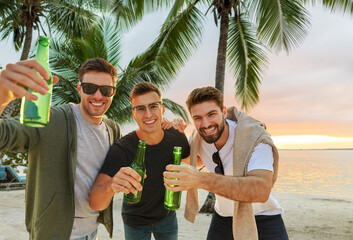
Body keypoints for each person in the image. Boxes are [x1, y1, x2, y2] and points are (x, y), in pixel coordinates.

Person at [0, 58, 121, 240]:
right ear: (79, 88)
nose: (98, 96)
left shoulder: (113, 129)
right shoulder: (51, 119)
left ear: (113, 92)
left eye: (105, 90)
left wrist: (169, 127)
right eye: (89, 88)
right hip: (53, 234)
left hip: (93, 231)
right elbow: (4, 136)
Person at [163, 86, 289, 240]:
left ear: (223, 111)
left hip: (263, 219)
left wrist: (201, 180)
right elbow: (187, 163)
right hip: (222, 217)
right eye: (198, 118)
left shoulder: (256, 138)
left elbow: (261, 191)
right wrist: (171, 133)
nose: (206, 123)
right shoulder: (198, 139)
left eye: (211, 114)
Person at [89, 81, 190, 240]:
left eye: (153, 106)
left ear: (162, 109)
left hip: (167, 217)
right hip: (134, 220)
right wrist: (112, 185)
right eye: (141, 109)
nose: (148, 114)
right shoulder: (122, 148)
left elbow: (192, 160)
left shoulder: (176, 137)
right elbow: (95, 200)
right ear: (133, 114)